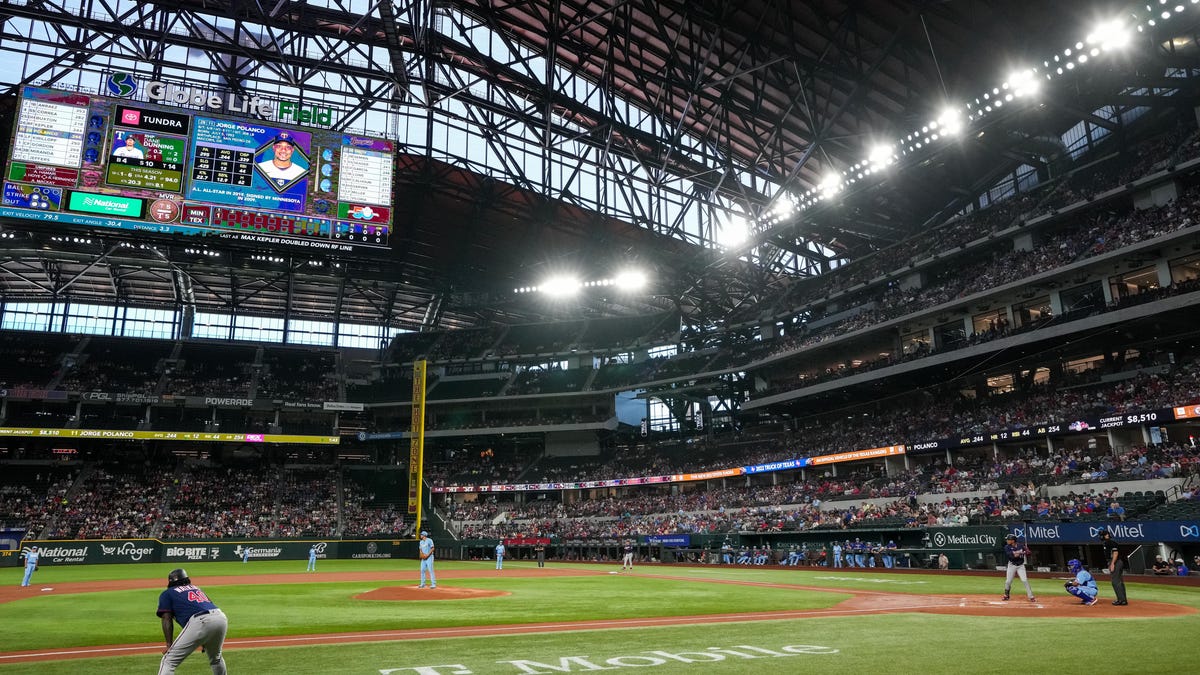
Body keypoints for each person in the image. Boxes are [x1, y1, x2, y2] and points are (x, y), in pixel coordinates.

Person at [156, 568, 227, 675]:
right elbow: (208, 604)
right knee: (216, 658)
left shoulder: (168, 593)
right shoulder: (196, 588)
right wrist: (205, 638)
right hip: (220, 618)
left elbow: (166, 619)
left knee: (168, 661)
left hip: (201, 621)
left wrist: (169, 644)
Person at [1001, 533, 1036, 602]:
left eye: (1009, 539)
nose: (1007, 541)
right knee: (1008, 581)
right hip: (1011, 565)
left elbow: (1029, 552)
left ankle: (1031, 596)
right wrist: (1022, 553)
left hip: (1020, 566)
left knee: (1024, 580)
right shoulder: (1007, 547)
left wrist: (1022, 552)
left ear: (1013, 540)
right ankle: (1006, 595)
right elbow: (1013, 556)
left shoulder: (1021, 545)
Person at [1099, 529, 1127, 605]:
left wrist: (1112, 564)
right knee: (1119, 581)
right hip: (1116, 562)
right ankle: (1123, 599)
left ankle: (1121, 600)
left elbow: (1115, 553)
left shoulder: (1110, 542)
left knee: (1115, 582)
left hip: (1116, 562)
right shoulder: (1107, 542)